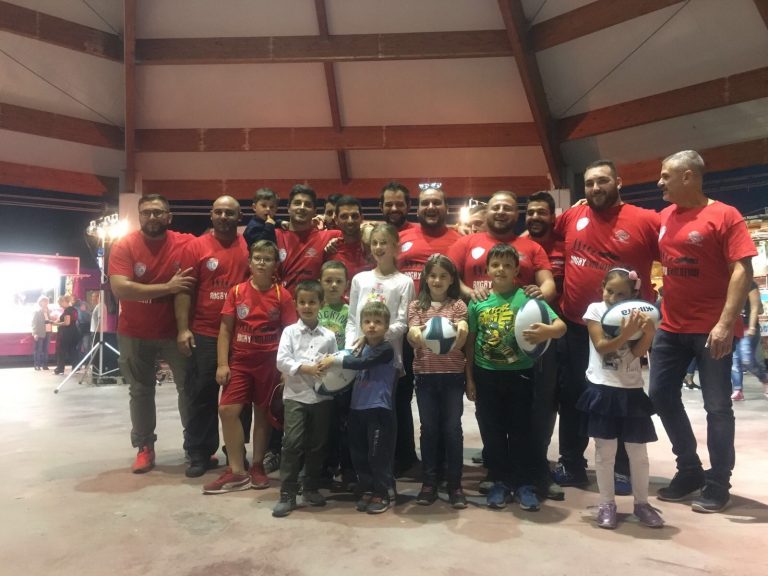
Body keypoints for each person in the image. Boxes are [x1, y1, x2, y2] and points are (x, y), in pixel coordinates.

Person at [650, 150, 756, 513]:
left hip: (712, 331)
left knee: (717, 407)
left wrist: (726, 323)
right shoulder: (665, 217)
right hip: (671, 328)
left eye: (666, 176)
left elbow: (742, 270)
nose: (659, 182)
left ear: (688, 176)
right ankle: (690, 469)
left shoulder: (725, 215)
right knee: (660, 395)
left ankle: (718, 482)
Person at [553, 160, 659, 493]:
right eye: (589, 183)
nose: (595, 188)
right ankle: (571, 463)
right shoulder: (573, 216)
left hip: (624, 331)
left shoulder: (645, 220)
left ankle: (623, 469)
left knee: (621, 397)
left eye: (602, 181)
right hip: (576, 325)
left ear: (619, 182)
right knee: (573, 398)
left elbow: (675, 255)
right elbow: (542, 236)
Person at [465, 244, 566, 512]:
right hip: (486, 375)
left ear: (517, 270)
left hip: (521, 375)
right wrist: (470, 378)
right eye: (496, 265)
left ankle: (524, 483)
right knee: (493, 431)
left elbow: (560, 327)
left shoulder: (528, 298)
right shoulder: (478, 302)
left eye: (507, 265)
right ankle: (500, 481)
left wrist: (546, 331)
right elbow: (470, 343)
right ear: (487, 269)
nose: (501, 269)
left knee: (522, 430)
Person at [109, 194, 196, 473]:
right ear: (139, 216)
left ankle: (194, 446)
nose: (152, 217)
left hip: (175, 332)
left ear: (169, 217)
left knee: (188, 389)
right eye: (146, 212)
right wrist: (168, 287)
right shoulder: (124, 245)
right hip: (134, 332)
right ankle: (144, 447)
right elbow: (121, 288)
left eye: (158, 212)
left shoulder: (185, 243)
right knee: (140, 390)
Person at [202, 240, 297, 494]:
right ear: (250, 262)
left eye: (268, 259)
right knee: (227, 410)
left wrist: (286, 369)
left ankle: (257, 465)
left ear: (275, 265)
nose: (262, 263)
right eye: (258, 258)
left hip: (270, 363)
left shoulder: (283, 295)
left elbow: (291, 334)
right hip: (241, 362)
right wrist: (223, 363)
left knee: (262, 414)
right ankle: (236, 471)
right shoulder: (236, 292)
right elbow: (225, 330)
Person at [578, 268, 664, 529]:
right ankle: (607, 503)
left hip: (632, 390)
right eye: (610, 291)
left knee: (638, 453)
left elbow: (637, 353)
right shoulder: (595, 310)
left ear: (633, 294)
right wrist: (625, 334)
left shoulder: (638, 312)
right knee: (605, 452)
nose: (614, 297)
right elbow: (601, 346)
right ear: (602, 288)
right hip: (603, 389)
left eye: (621, 294)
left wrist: (648, 333)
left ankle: (642, 503)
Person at [175, 195, 250, 478]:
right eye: (218, 212)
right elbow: (184, 290)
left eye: (229, 213)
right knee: (201, 394)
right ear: (211, 215)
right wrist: (183, 328)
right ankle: (199, 452)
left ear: (239, 217)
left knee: (240, 399)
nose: (223, 217)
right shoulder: (195, 247)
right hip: (204, 332)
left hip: (240, 334)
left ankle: (236, 453)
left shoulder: (248, 246)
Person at [395, 184, 462, 476]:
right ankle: (409, 459)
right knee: (406, 400)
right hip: (409, 326)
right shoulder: (402, 237)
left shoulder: (459, 239)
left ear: (446, 207)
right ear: (417, 208)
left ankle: (445, 467)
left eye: (437, 202)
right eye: (425, 203)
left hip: (446, 332)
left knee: (446, 411)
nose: (431, 207)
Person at [320, 301, 398, 514]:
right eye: (367, 321)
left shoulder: (386, 349)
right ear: (361, 325)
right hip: (357, 408)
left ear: (386, 326)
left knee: (377, 454)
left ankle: (383, 491)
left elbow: (361, 363)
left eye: (377, 322)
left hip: (378, 409)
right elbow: (350, 366)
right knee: (359, 453)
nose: (372, 325)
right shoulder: (360, 346)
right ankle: (368, 488)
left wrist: (334, 361)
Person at [407, 254, 469, 509]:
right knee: (429, 429)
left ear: (452, 279)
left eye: (443, 276)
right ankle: (429, 482)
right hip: (426, 376)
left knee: (453, 429)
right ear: (425, 278)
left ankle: (454, 484)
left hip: (452, 376)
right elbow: (412, 335)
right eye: (433, 275)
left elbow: (462, 333)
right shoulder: (416, 307)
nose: (437, 280)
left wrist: (461, 330)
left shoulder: (458, 306)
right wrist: (415, 334)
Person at [273, 280, 337, 517]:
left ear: (321, 304)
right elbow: (282, 360)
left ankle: (310, 487)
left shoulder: (329, 335)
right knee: (292, 443)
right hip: (296, 396)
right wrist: (306, 368)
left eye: (312, 302)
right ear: (296, 304)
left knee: (318, 444)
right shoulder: (289, 332)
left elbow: (334, 364)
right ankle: (287, 493)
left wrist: (329, 366)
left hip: (321, 398)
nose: (307, 306)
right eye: (302, 302)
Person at [524, 191, 566, 500]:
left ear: (553, 216)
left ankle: (545, 462)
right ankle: (517, 459)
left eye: (542, 212)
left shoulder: (566, 244)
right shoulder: (521, 246)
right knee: (528, 399)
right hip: (530, 333)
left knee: (551, 401)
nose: (535, 217)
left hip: (565, 328)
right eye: (531, 212)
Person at [317, 260, 356, 488]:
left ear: (346, 285)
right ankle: (324, 469)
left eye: (338, 281)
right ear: (320, 282)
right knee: (323, 425)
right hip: (318, 377)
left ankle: (348, 469)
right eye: (328, 280)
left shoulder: (350, 311)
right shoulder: (313, 309)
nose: (333, 285)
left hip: (344, 378)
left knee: (346, 424)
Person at [275, 184, 342, 295]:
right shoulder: (275, 235)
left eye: (307, 204)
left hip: (313, 304)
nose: (302, 207)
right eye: (297, 203)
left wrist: (367, 226)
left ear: (315, 211)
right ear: (288, 208)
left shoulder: (330, 236)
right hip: (281, 303)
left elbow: (357, 231)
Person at [730, 281, 767, 400]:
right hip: (734, 328)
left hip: (748, 328)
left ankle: (765, 379)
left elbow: (755, 307)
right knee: (735, 361)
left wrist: (752, 327)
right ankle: (738, 390)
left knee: (747, 360)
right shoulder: (728, 283)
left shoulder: (750, 284)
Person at [327, 195, 373, 282]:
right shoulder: (331, 249)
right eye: (344, 216)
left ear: (362, 218)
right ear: (336, 219)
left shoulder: (374, 246)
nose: (350, 221)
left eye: (354, 216)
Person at [53, 294, 79, 375]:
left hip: (66, 333)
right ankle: (75, 368)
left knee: (61, 351)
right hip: (74, 332)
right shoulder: (74, 310)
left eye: (60, 303)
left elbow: (67, 323)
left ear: (64, 301)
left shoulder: (67, 311)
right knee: (73, 351)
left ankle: (60, 369)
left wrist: (56, 324)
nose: (60, 305)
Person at [31, 295, 52, 370]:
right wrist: (35, 333)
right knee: (38, 349)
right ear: (40, 302)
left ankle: (45, 365)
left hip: (48, 332)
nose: (46, 303)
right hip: (40, 332)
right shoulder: (37, 311)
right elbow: (34, 323)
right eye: (44, 301)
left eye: (47, 301)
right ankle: (37, 365)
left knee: (46, 349)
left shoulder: (49, 311)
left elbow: (50, 321)